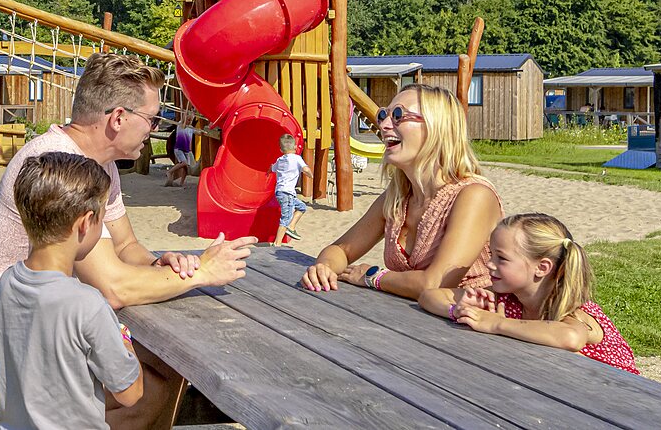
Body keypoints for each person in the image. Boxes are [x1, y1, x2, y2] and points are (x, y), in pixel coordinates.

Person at [0, 53, 255, 426]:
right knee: (145, 392)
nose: (153, 129)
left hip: (19, 336)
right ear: (118, 118)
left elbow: (126, 247)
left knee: (166, 365)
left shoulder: (96, 164)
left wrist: (163, 264)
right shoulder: (60, 167)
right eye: (152, 119)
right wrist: (203, 272)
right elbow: (113, 287)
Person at [301, 84, 502, 298]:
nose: (384, 124)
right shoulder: (399, 197)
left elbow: (435, 283)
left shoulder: (474, 195)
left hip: (467, 317)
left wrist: (373, 276)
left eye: (398, 115)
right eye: (383, 115)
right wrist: (324, 267)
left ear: (437, 127)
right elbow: (341, 249)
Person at [0, 152, 143, 429]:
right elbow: (130, 393)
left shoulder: (6, 284)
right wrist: (124, 340)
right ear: (85, 223)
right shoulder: (87, 305)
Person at [419, 213, 638, 374]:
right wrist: (460, 310)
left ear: (542, 267)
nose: (489, 264)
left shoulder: (572, 309)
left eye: (501, 258)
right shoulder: (507, 298)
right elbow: (429, 296)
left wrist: (496, 324)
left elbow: (571, 338)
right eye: (491, 254)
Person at [271, 134, 311, 247]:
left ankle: (291, 227)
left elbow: (272, 168)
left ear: (281, 150)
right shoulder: (297, 158)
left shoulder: (279, 160)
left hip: (280, 192)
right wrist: (310, 174)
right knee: (286, 217)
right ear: (295, 147)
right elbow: (305, 169)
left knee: (302, 207)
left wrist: (268, 171)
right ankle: (277, 243)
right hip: (287, 193)